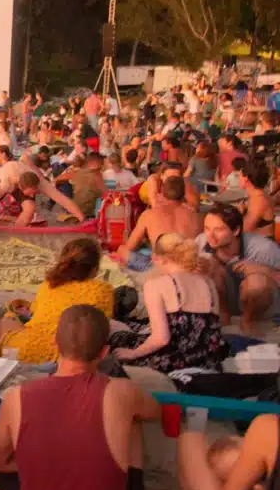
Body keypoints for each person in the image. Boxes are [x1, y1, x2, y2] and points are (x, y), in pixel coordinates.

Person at [0, 305, 158, 490]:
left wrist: (44, 463)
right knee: (132, 422)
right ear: (104, 352)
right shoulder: (122, 390)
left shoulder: (16, 396)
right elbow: (154, 412)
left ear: (55, 344)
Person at [110, 233, 227, 373]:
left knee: (118, 338)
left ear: (156, 258)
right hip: (208, 360)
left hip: (174, 361)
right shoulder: (208, 283)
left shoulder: (156, 284)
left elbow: (161, 339)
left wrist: (134, 353)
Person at [0, 238, 114, 363]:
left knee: (3, 322)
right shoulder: (103, 290)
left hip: (24, 350)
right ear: (94, 269)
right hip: (69, 356)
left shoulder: (49, 285)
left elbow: (35, 312)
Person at [197, 203, 280, 337]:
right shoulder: (201, 242)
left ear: (236, 231)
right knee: (207, 266)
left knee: (257, 280)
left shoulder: (263, 248)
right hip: (226, 303)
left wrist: (264, 270)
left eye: (219, 230)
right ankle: (223, 315)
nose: (210, 235)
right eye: (207, 228)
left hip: (262, 308)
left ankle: (249, 320)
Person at [0, 158, 85, 227]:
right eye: (30, 194)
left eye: (35, 193)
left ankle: (17, 231)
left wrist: (82, 218)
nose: (33, 195)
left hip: (24, 177)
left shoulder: (41, 183)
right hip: (4, 174)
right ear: (21, 188)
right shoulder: (5, 184)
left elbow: (63, 200)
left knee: (30, 207)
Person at [116, 176, 202, 265]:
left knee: (122, 250)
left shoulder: (149, 214)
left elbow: (130, 246)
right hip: (188, 265)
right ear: (184, 195)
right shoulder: (196, 216)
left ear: (162, 193)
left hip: (160, 266)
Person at [240, 159, 275, 238]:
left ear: (246, 179)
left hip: (261, 244)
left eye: (239, 175)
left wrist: (239, 213)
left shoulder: (259, 201)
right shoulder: (259, 194)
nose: (238, 178)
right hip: (258, 241)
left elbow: (244, 229)